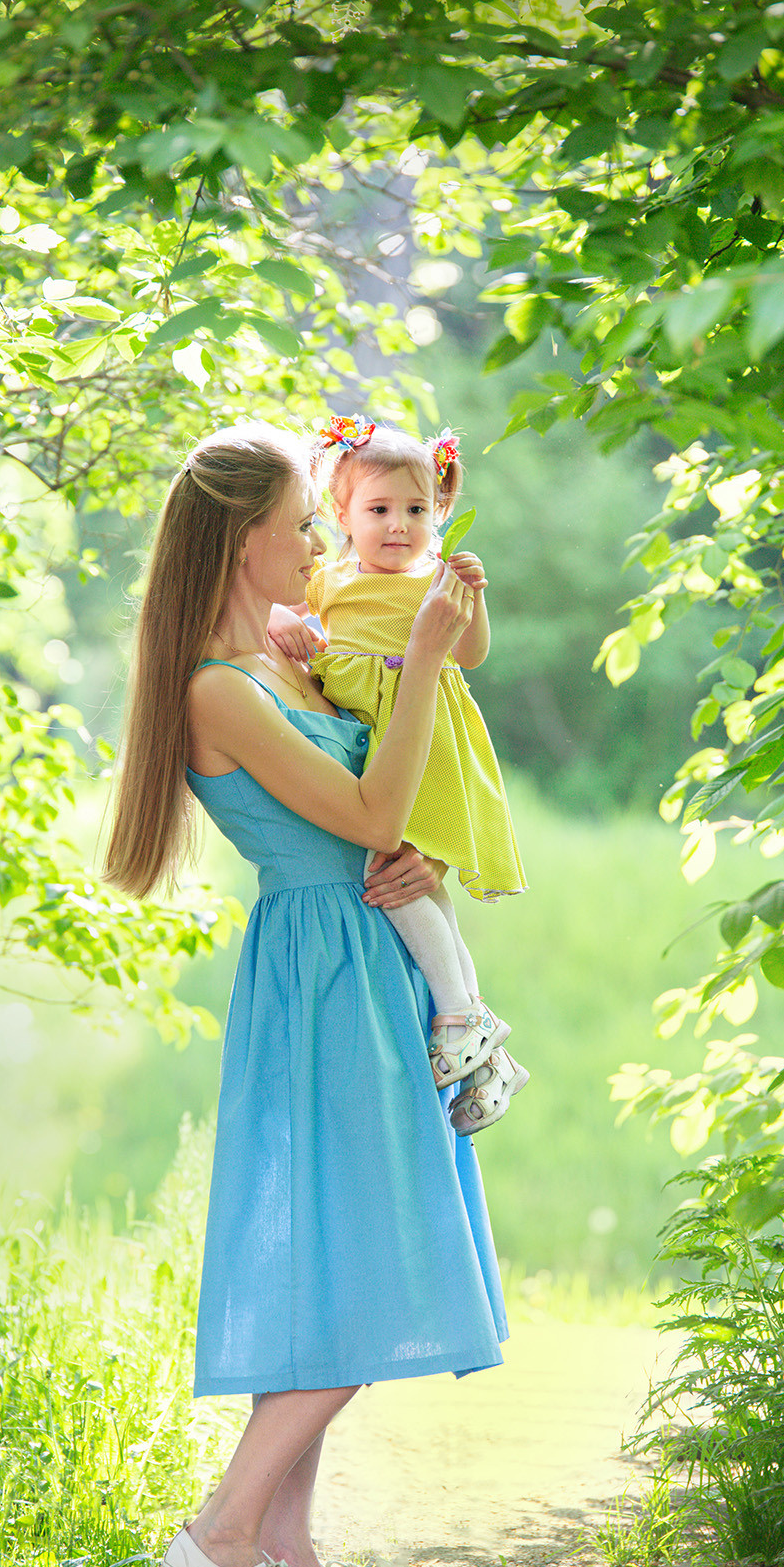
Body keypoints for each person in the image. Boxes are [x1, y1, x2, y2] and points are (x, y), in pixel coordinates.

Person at [102, 422, 509, 1567]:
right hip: (322, 975)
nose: (322, 543)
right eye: (298, 527)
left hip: (364, 952)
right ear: (242, 541)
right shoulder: (217, 691)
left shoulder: (285, 663)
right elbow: (370, 796)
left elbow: (384, 818)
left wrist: (423, 846)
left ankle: (289, 1548)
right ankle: (219, 1535)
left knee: (344, 1247)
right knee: (378, 1255)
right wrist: (428, 658)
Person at [266, 414, 528, 1135]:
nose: (397, 526)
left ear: (437, 511)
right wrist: (278, 624)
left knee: (399, 868)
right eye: (378, 510)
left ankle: (456, 1014)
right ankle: (479, 1039)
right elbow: (280, 615)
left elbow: (469, 656)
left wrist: (472, 599)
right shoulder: (327, 579)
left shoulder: (434, 581)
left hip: (421, 743)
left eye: (416, 509)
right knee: (413, 878)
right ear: (341, 515)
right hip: (368, 739)